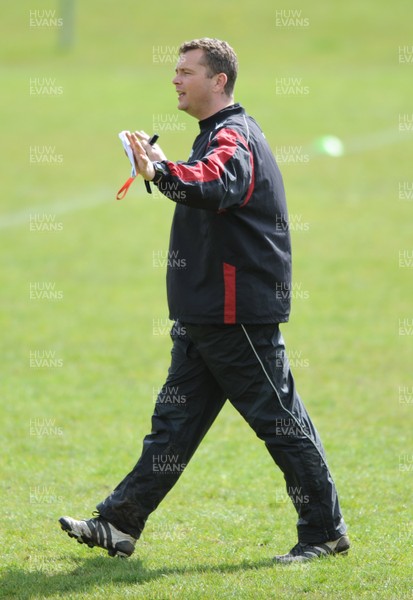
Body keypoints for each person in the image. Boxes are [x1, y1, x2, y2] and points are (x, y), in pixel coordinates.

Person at [59, 38, 349, 563]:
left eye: (186, 71)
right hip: (207, 312)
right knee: (173, 427)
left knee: (282, 424)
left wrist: (161, 171)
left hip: (235, 314)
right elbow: (203, 182)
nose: (174, 78)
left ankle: (325, 533)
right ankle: (119, 524)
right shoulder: (215, 135)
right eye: (174, 70)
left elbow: (214, 181)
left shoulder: (233, 137)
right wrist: (164, 165)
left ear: (219, 81)